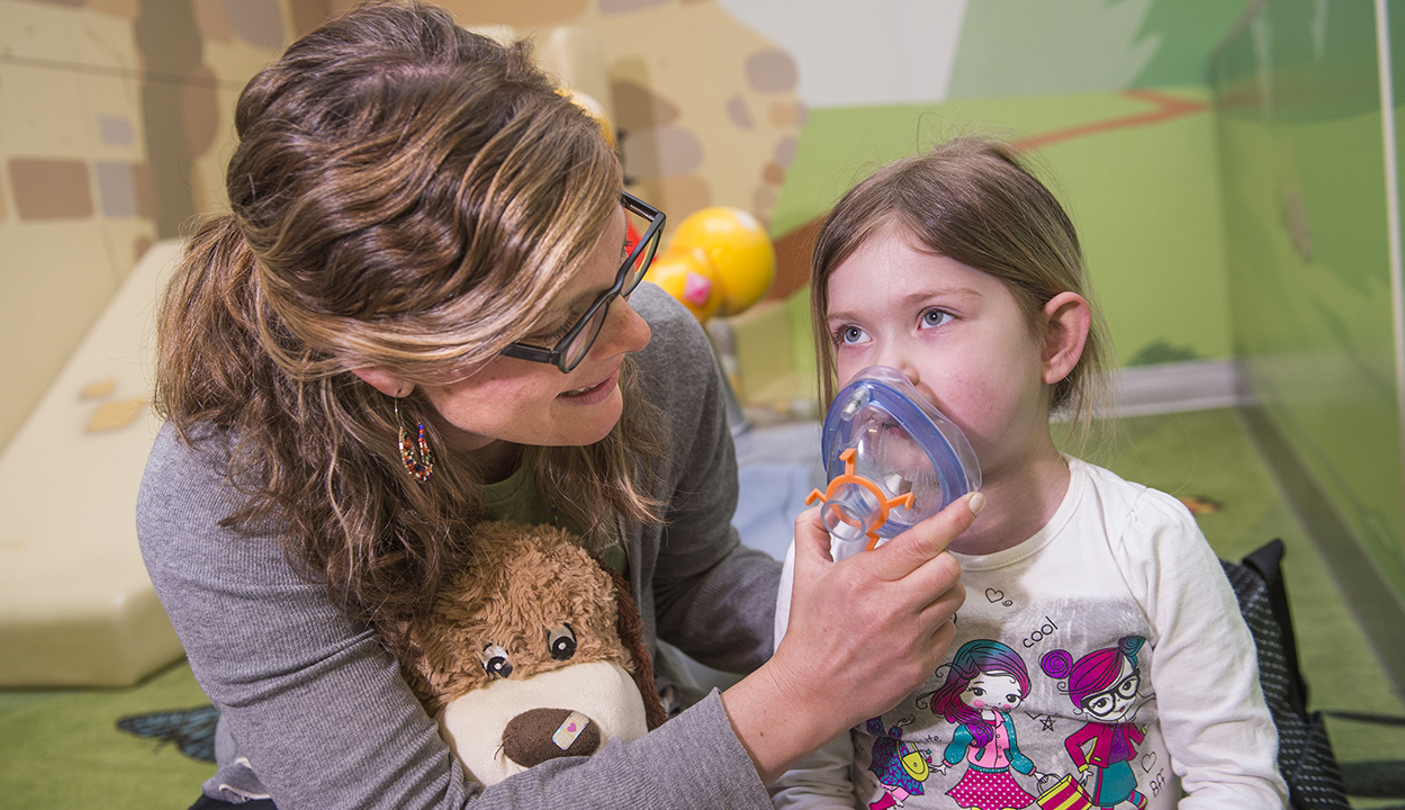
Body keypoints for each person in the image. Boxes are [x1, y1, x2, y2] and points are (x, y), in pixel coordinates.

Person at [136, 3, 975, 808]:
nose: (633, 333)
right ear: (385, 362)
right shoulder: (225, 494)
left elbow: (691, 580)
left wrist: (858, 609)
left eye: (615, 260)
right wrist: (800, 695)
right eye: (561, 321)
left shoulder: (662, 347)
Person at [768, 137, 1288, 810]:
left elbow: (1236, 781)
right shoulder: (831, 559)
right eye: (852, 334)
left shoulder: (1148, 542)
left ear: (1053, 341)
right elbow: (808, 782)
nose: (884, 372)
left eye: (934, 317)